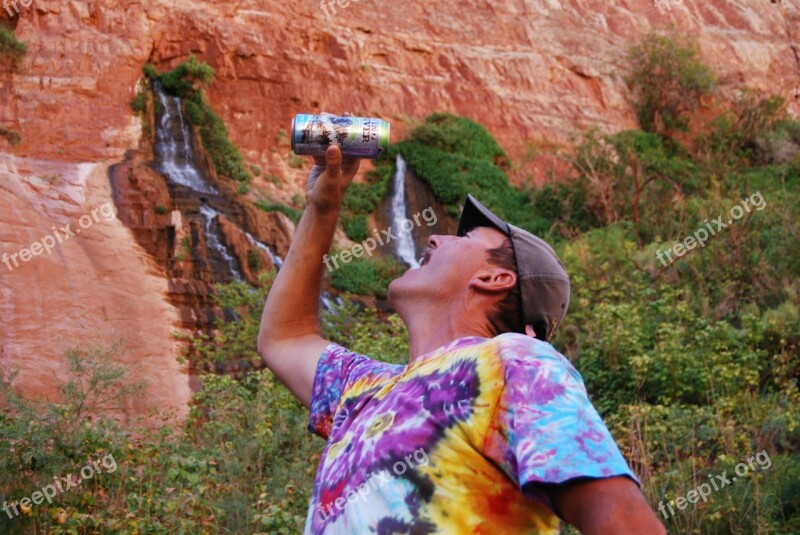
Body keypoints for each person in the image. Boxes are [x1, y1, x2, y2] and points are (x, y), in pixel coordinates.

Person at [257, 144, 666, 534]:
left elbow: (624, 522)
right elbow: (284, 338)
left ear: (494, 279)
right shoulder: (364, 389)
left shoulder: (514, 361)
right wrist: (323, 208)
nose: (435, 238)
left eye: (465, 239)